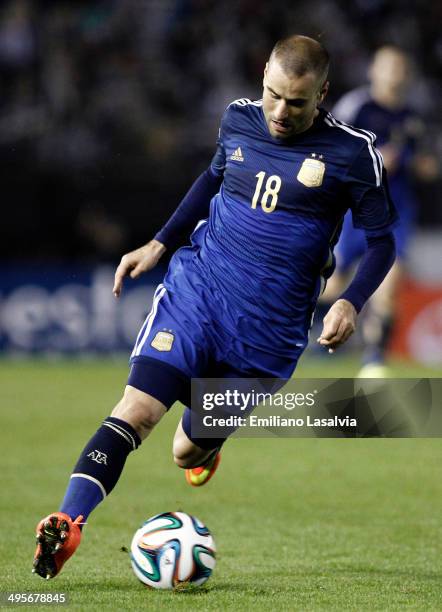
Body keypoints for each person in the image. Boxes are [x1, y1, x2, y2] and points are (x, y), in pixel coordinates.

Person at [33, 35, 397, 579]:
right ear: (263, 81)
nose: (279, 112)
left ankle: (205, 452)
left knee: (185, 451)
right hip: (198, 295)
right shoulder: (238, 119)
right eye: (272, 94)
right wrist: (159, 243)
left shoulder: (352, 154)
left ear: (323, 93)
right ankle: (69, 522)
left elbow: (382, 241)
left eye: (296, 102)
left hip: (267, 335)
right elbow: (212, 178)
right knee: (136, 411)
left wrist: (349, 300)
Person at [321, 46, 421, 374]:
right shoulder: (357, 107)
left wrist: (416, 162)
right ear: (373, 70)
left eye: (400, 67)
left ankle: (374, 360)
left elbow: (427, 164)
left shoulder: (412, 118)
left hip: (397, 210)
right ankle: (280, 313)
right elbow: (331, 150)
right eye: (387, 66)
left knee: (391, 280)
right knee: (334, 285)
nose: (394, 73)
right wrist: (375, 160)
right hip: (356, 209)